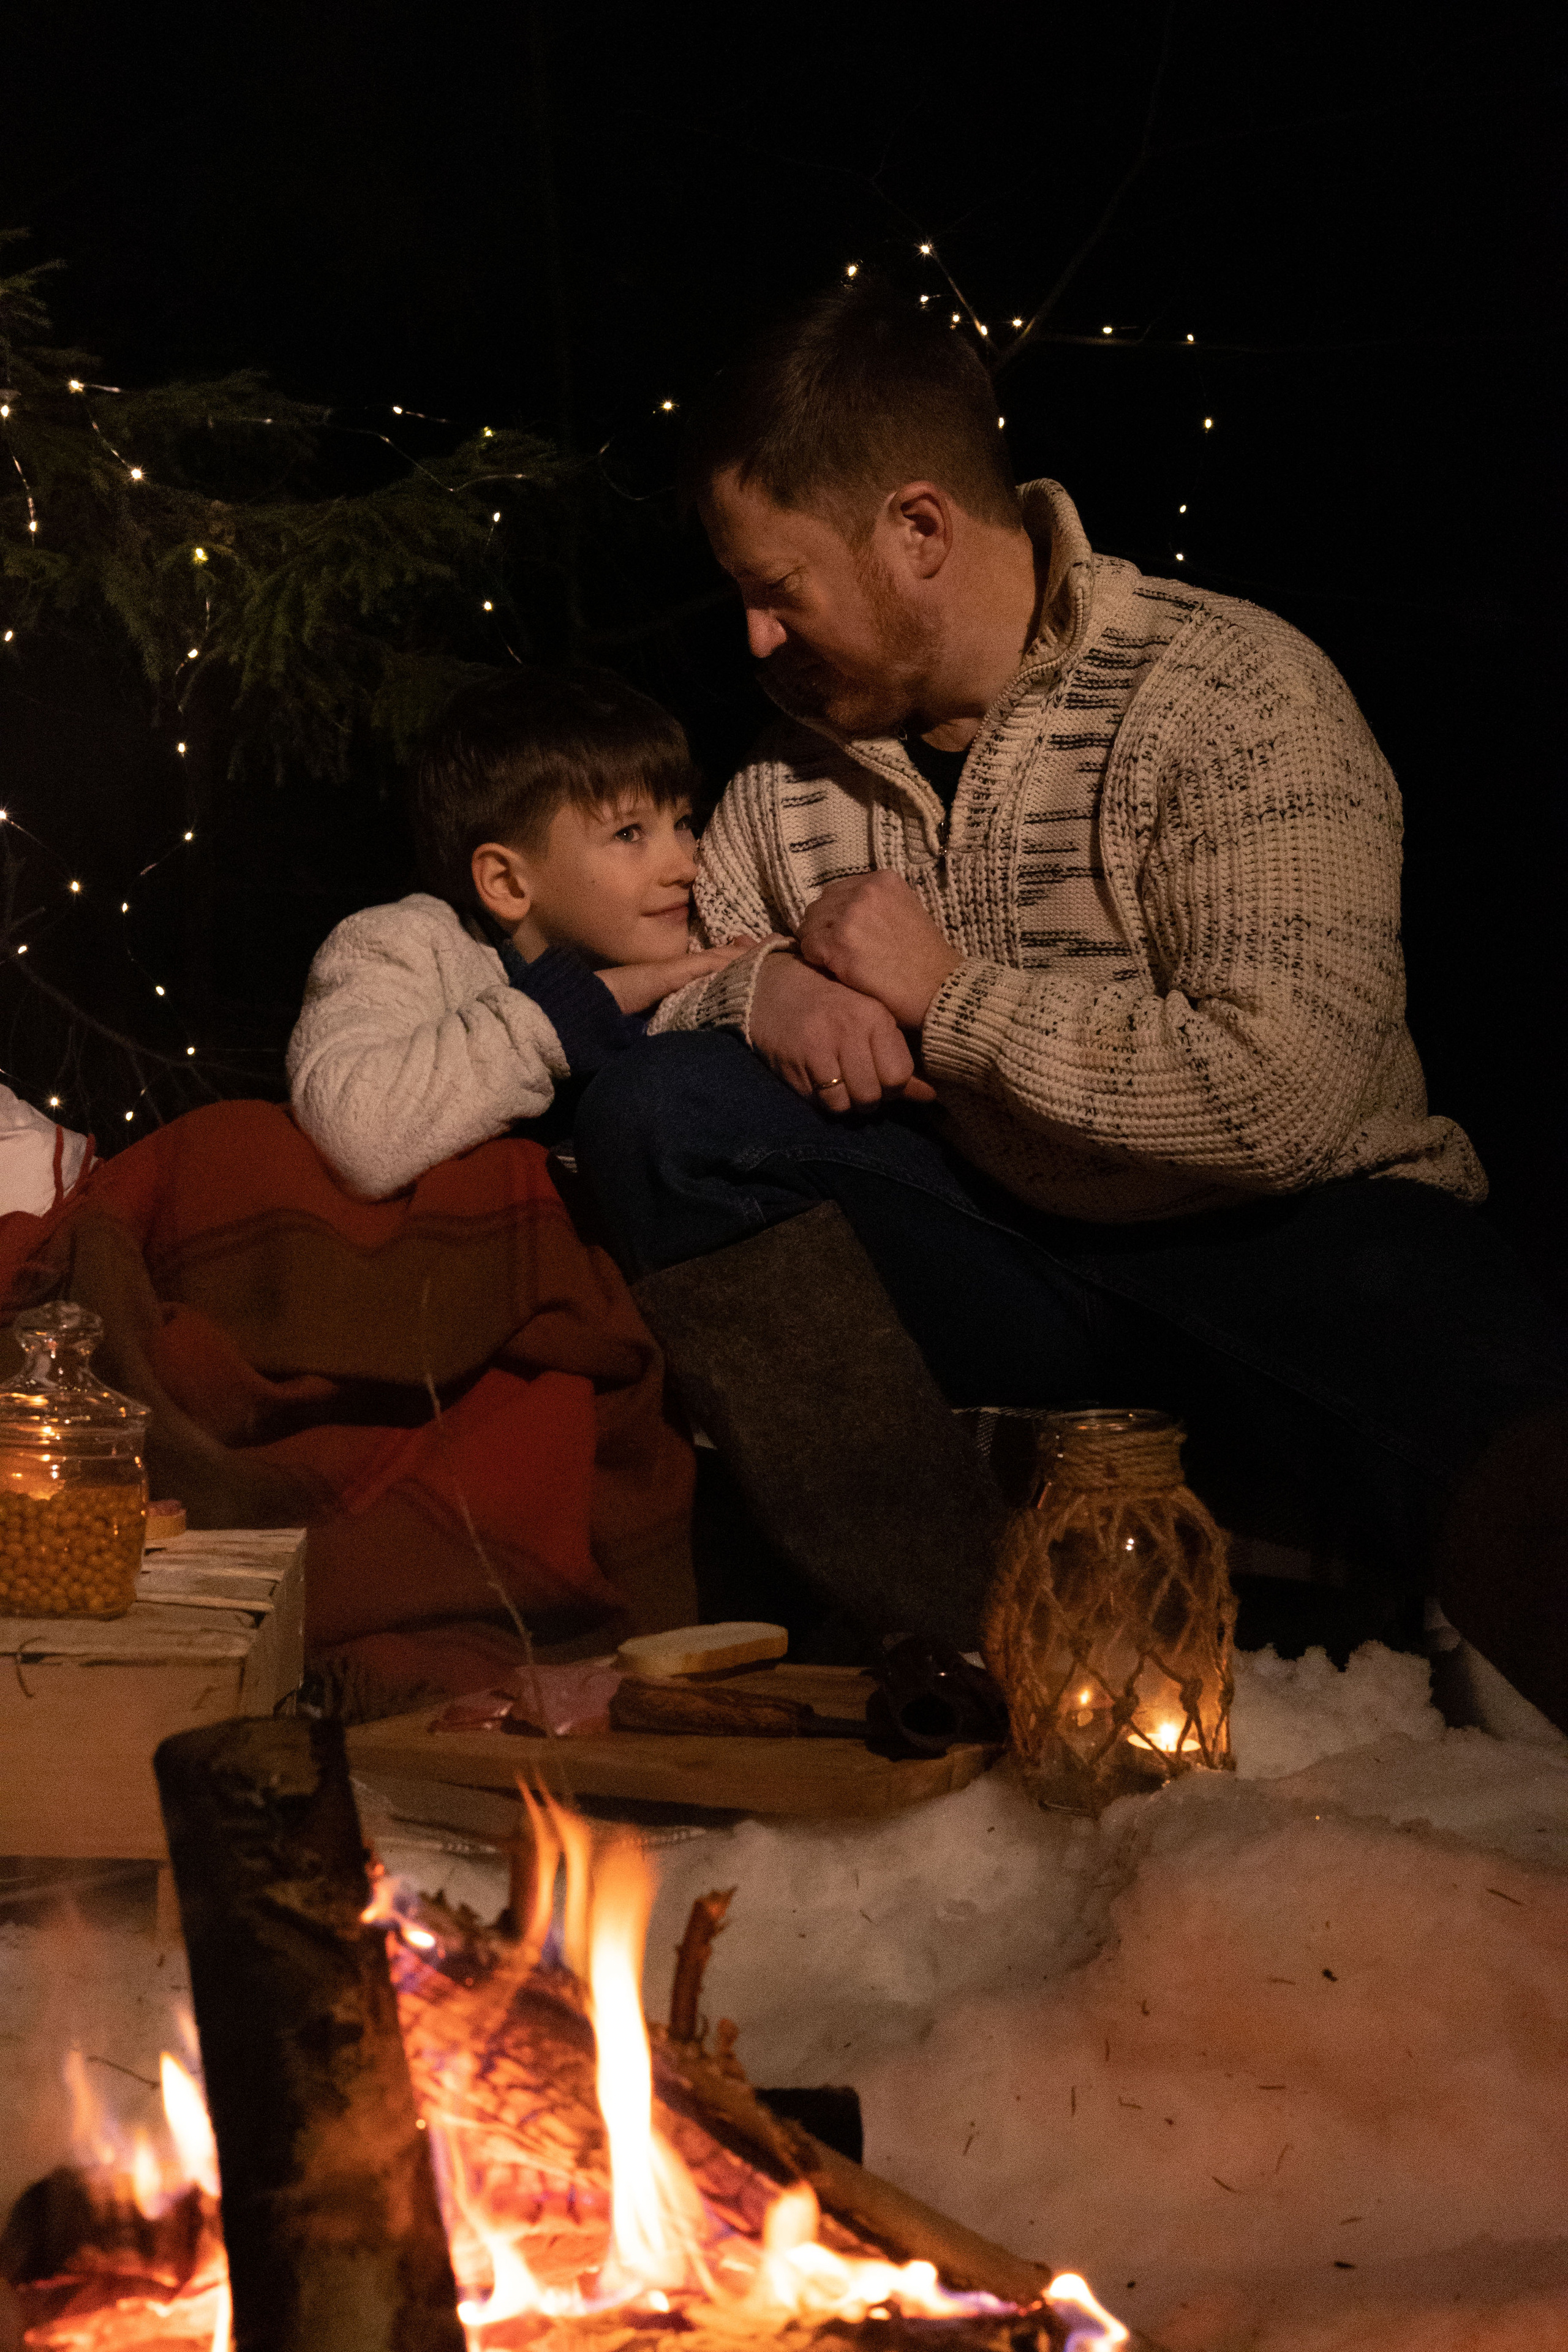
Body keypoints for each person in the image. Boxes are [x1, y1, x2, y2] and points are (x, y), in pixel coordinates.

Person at [570, 281, 1568, 1728]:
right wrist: (757, 986)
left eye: (776, 590)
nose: (756, 642)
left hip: (1287, 1234)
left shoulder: (1226, 694)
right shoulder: (783, 790)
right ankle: (958, 1641)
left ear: (916, 530)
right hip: (997, 1245)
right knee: (662, 1115)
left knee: (1499, 1426)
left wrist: (952, 998)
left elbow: (1278, 1092)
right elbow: (635, 1003)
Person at [287, 666, 747, 1200]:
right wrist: (576, 1010)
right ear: (507, 883)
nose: (685, 865)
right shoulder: (401, 944)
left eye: (683, 823)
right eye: (628, 833)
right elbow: (355, 1134)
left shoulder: (696, 929)